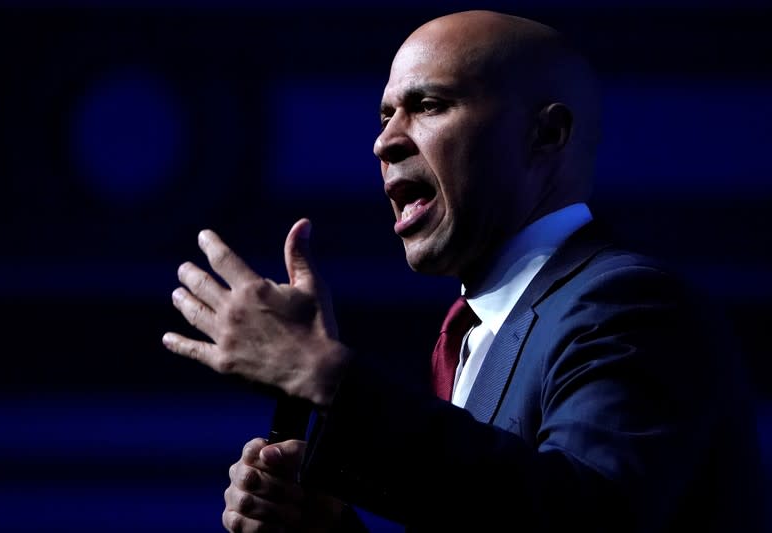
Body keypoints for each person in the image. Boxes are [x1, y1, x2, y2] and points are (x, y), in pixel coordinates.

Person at [162, 9, 765, 533]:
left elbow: (590, 521)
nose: (385, 142)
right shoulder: (477, 336)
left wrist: (325, 377)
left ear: (547, 134)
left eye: (428, 105)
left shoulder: (631, 306)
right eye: (384, 116)